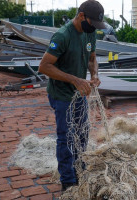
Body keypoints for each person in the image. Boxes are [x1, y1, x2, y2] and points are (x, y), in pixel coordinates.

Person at [38, 0, 105, 191]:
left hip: (79, 94)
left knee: (82, 134)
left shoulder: (90, 34)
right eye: (93, 23)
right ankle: (67, 181)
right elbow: (44, 66)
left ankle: (80, 170)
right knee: (66, 137)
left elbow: (92, 59)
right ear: (82, 16)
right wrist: (75, 79)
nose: (94, 28)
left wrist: (94, 74)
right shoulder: (62, 36)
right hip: (61, 94)